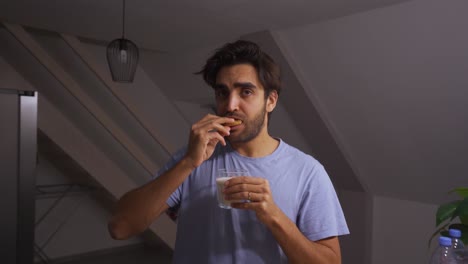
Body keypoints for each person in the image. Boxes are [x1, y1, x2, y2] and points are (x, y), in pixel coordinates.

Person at [108, 40, 349, 263]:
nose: (230, 105)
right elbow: (120, 227)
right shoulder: (192, 158)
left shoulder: (308, 172)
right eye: (223, 92)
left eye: (246, 92)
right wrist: (189, 163)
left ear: (271, 100)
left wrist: (274, 216)